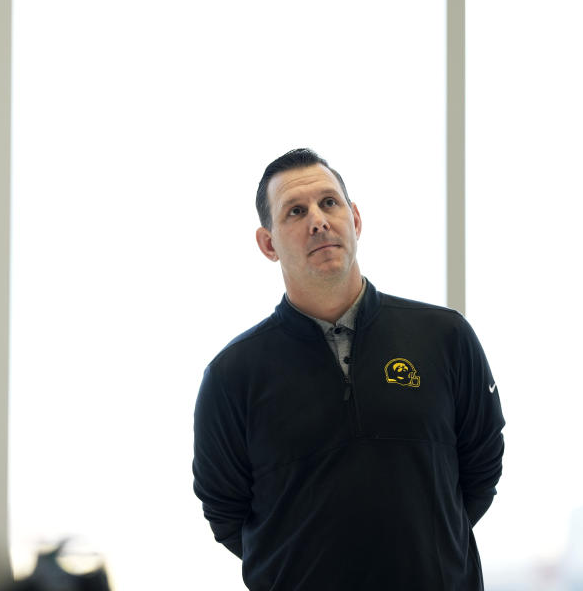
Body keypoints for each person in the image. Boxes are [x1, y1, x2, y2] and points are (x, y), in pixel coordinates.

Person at [192, 148, 505, 590]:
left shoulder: (445, 337)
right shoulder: (232, 377)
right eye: (296, 212)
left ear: (355, 219)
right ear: (268, 244)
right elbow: (225, 514)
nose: (318, 220)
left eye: (329, 203)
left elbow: (482, 467)